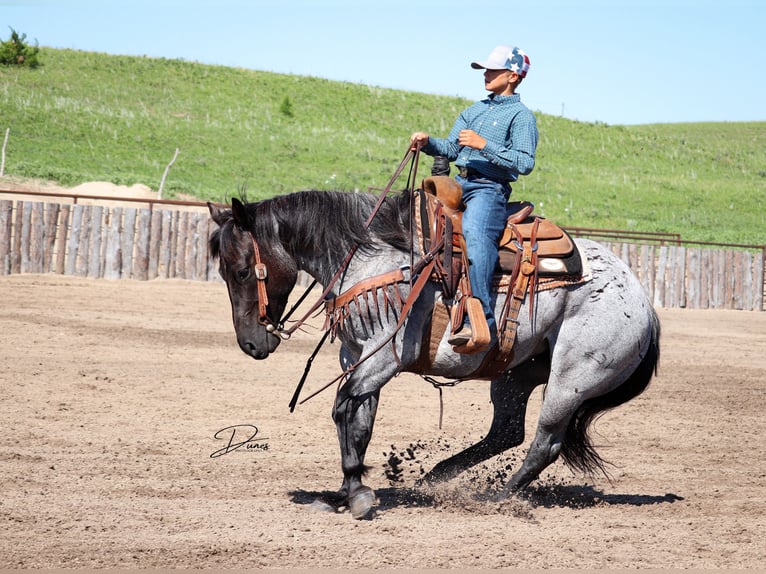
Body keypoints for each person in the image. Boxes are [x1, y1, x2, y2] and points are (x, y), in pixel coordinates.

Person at [411, 45, 538, 349]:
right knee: (414, 218)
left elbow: (525, 163)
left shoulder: (521, 117)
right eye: (485, 69)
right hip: (457, 183)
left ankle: (481, 321)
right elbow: (452, 150)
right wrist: (429, 143)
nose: (486, 75)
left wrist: (485, 146)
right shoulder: (474, 110)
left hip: (488, 188)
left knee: (477, 238)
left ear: (512, 76)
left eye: (492, 70)